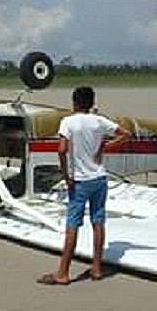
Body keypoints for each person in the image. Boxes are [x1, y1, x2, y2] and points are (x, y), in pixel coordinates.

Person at [38, 86, 131, 285]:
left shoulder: (68, 122)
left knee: (73, 225)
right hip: (99, 179)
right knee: (98, 222)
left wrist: (66, 175)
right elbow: (125, 134)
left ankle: (63, 272)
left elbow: (61, 150)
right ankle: (96, 268)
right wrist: (105, 147)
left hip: (79, 181)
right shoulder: (99, 121)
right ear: (91, 103)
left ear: (74, 102)